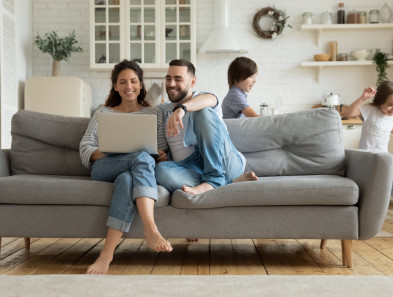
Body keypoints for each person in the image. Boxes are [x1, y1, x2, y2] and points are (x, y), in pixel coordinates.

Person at [79, 59, 172, 274]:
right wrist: (117, 150)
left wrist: (162, 154)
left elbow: (160, 149)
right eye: (122, 82)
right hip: (104, 167)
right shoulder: (103, 113)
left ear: (140, 85)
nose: (128, 86)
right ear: (115, 86)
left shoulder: (154, 114)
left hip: (134, 171)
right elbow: (85, 147)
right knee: (140, 157)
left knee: (127, 179)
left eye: (133, 81)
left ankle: (106, 254)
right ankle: (151, 228)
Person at [155, 59, 257, 196]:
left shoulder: (203, 97)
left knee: (202, 111)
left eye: (178, 79)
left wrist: (182, 109)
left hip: (224, 162)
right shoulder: (163, 110)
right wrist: (163, 155)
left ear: (192, 82)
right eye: (168, 79)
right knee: (160, 170)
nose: (171, 84)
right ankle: (227, 183)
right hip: (190, 167)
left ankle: (214, 179)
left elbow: (209, 99)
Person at [343, 81, 393, 153]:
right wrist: (363, 98)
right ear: (380, 100)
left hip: (382, 157)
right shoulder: (370, 110)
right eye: (390, 105)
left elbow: (387, 128)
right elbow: (347, 114)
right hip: (365, 156)